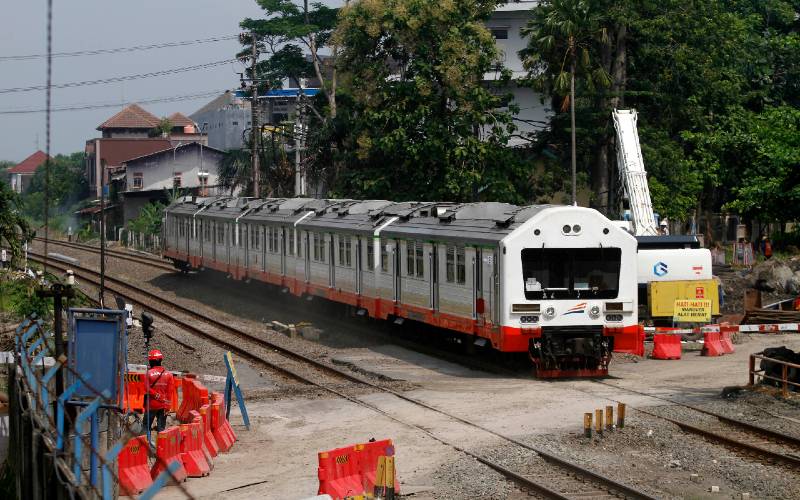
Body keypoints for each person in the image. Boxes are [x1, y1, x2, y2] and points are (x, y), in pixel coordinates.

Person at [145, 349, 174, 432]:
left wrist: (156, 396)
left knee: (145, 428)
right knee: (161, 430)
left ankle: (147, 442)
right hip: (163, 405)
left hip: (151, 405)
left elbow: (146, 389)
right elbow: (169, 393)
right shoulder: (169, 374)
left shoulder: (149, 373)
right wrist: (168, 407)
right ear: (160, 360)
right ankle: (161, 444)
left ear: (151, 361)